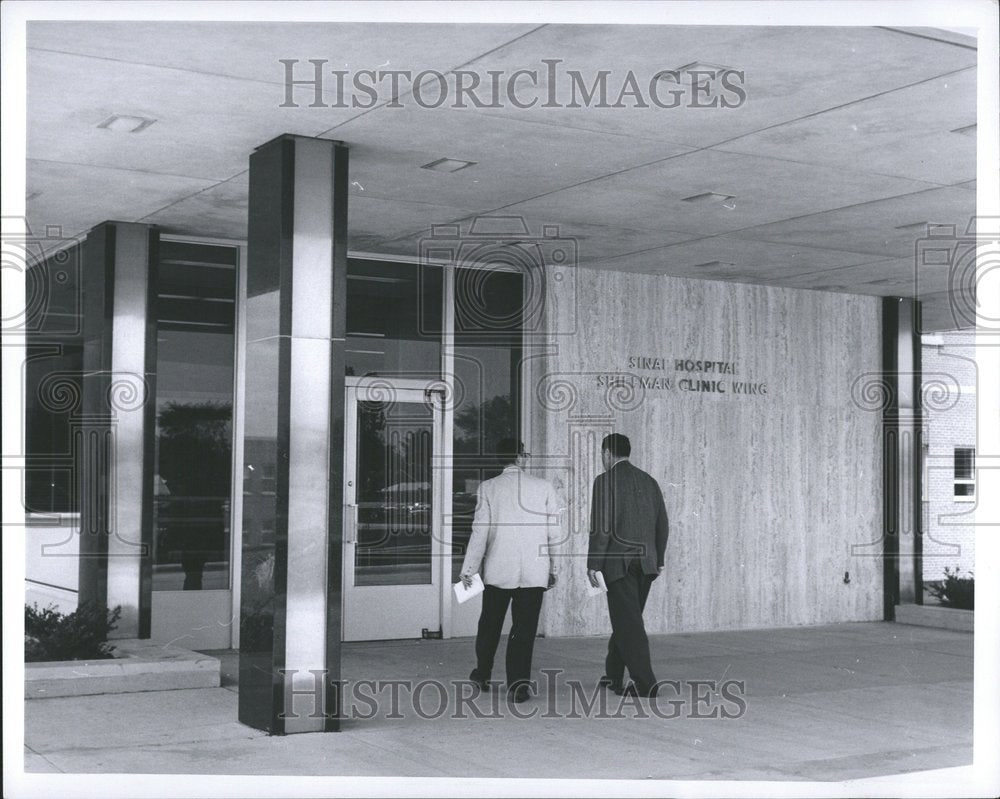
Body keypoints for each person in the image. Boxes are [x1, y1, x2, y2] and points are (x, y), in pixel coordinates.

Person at [460, 438, 562, 703]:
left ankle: (482, 672)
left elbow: (479, 532)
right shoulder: (544, 487)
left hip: (497, 570)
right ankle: (518, 685)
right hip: (535, 571)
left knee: (490, 624)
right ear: (520, 456)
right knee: (524, 630)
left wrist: (469, 570)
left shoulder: (488, 488)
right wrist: (554, 566)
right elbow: (554, 533)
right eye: (524, 453)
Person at [587, 433, 668, 698]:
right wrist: (660, 560)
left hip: (618, 565)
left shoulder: (604, 481)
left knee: (629, 623)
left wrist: (593, 564)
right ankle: (613, 675)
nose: (602, 459)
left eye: (602, 454)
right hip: (646, 564)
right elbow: (662, 525)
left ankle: (646, 684)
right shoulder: (649, 481)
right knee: (627, 620)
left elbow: (602, 528)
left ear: (607, 453)